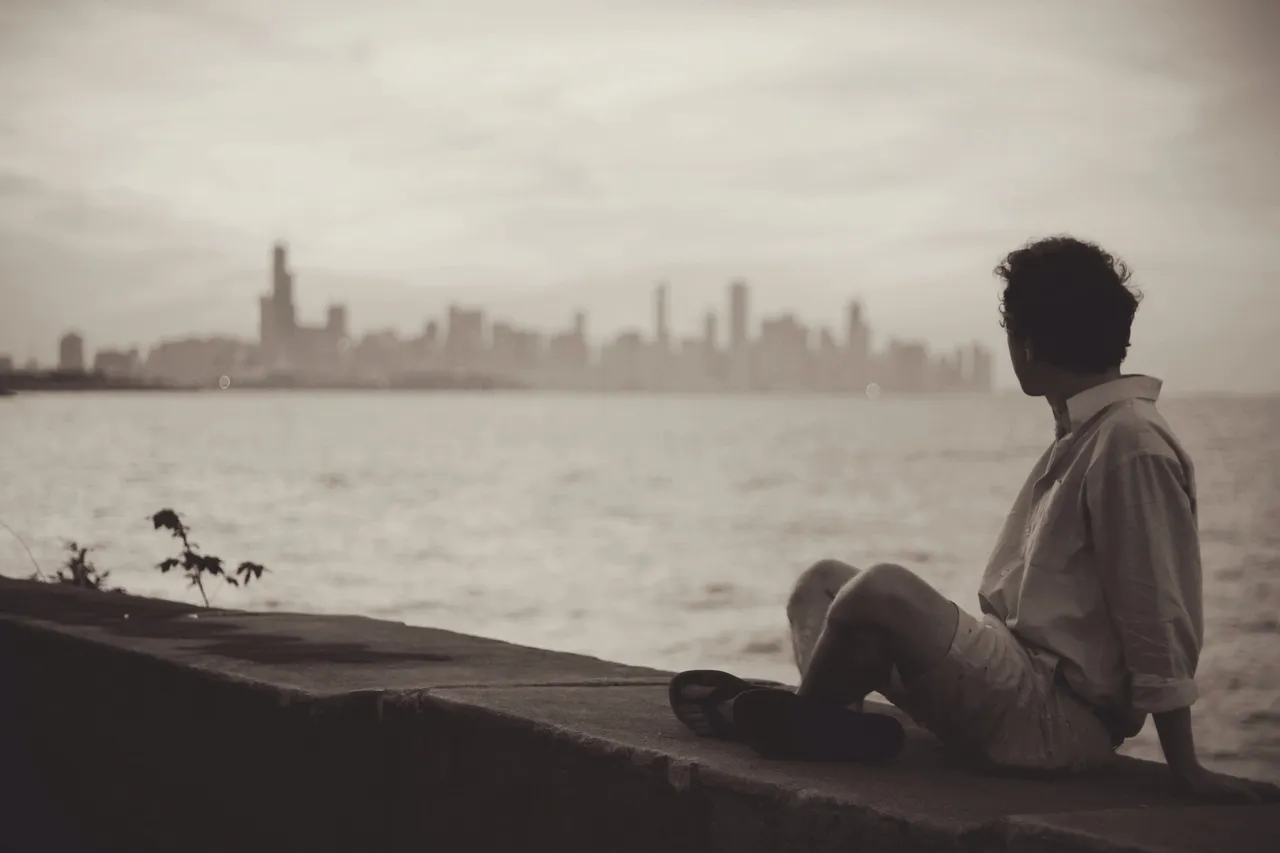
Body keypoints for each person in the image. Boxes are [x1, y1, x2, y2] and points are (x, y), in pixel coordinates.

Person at [671, 235, 1276, 802]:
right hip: (1013, 681)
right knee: (823, 583)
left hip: (1056, 721)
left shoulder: (1129, 441)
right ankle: (828, 725)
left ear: (1029, 343)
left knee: (881, 588)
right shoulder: (1086, 431)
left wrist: (1186, 768)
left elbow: (1156, 610)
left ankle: (807, 721)